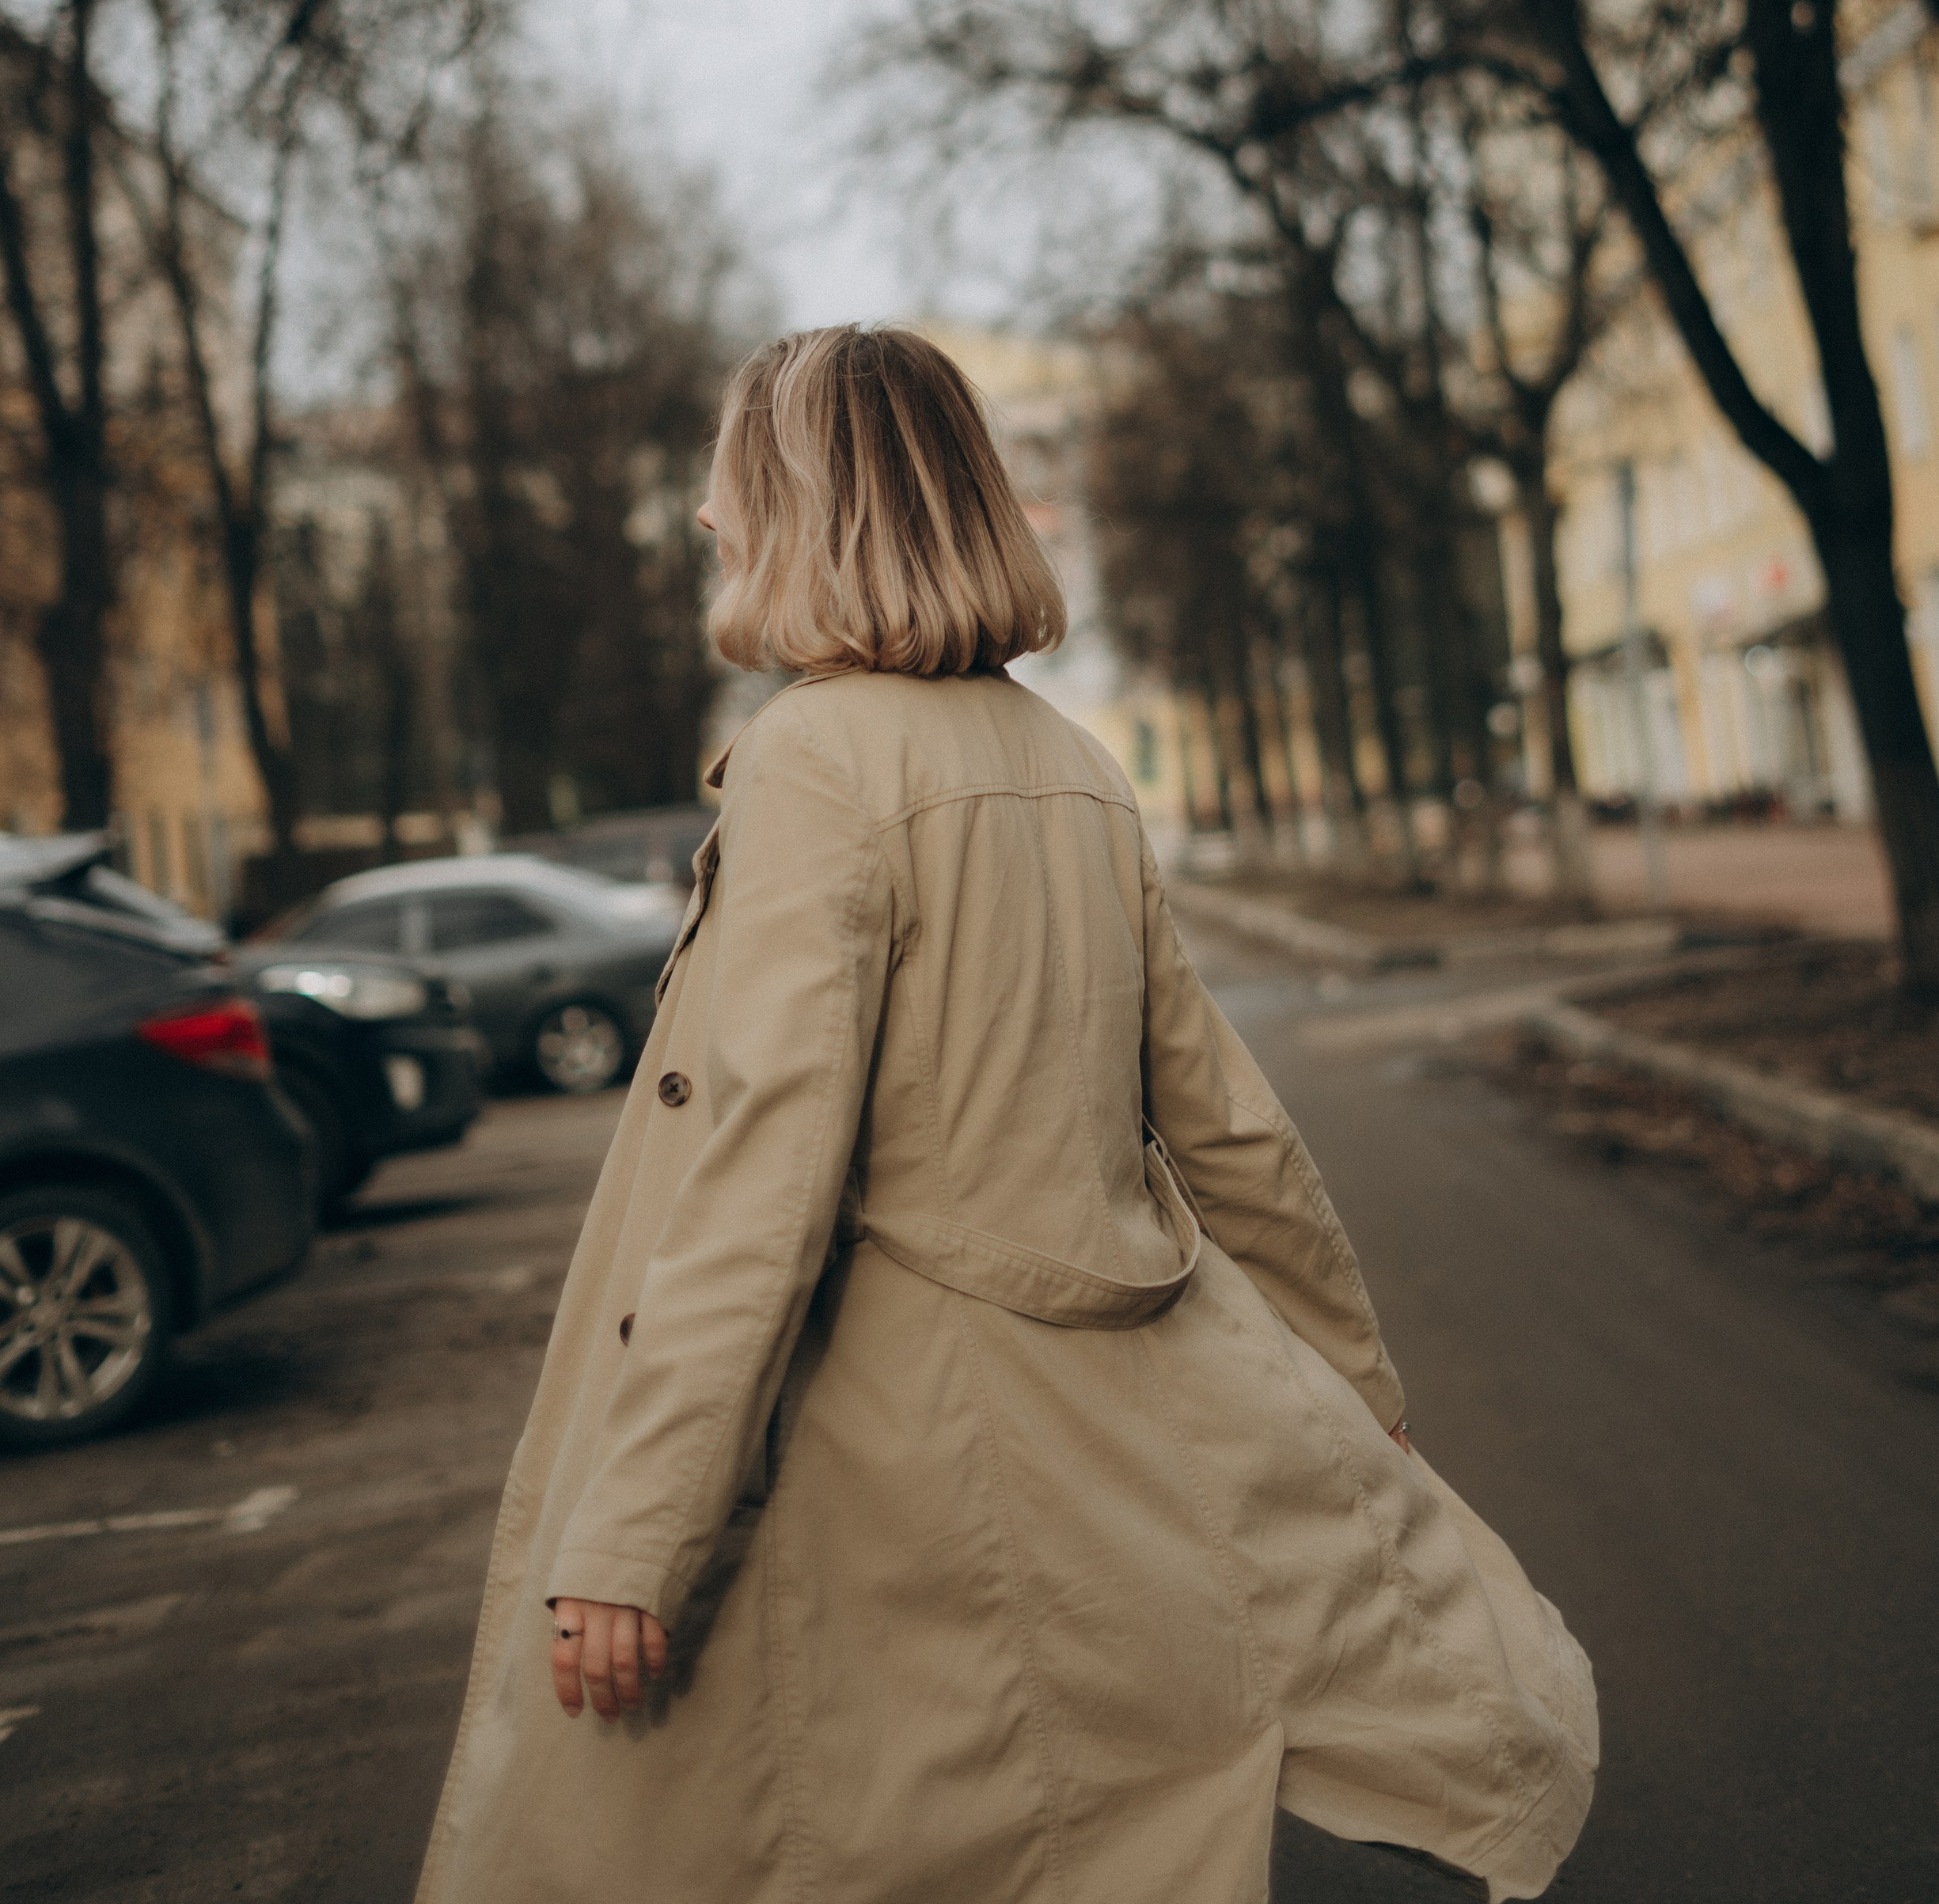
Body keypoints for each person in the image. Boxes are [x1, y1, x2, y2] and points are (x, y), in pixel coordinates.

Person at [416, 324, 1596, 1904]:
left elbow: (757, 1176)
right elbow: (1224, 1124)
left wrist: (633, 1534)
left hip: (886, 1477)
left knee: (815, 1829)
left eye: (728, 481)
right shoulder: (1072, 762)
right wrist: (1349, 1376)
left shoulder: (811, 762)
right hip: (1075, 1447)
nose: (704, 516)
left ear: (811, 505)